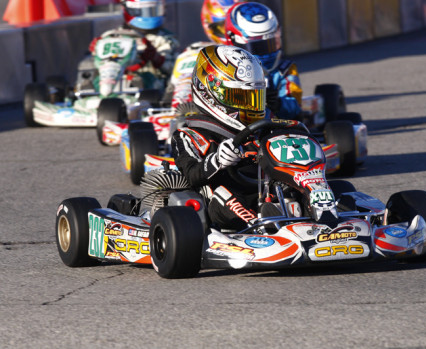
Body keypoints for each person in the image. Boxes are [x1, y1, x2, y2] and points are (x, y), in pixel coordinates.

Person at [171, 45, 266, 231]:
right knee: (226, 194)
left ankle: (328, 217)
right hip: (220, 201)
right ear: (209, 92)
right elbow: (191, 175)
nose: (248, 106)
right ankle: (260, 228)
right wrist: (217, 161)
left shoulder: (261, 131)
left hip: (265, 192)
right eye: (240, 98)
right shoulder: (189, 135)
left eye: (252, 98)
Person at [224, 2, 302, 120]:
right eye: (258, 47)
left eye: (270, 44)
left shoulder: (284, 70)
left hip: (273, 127)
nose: (266, 53)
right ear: (234, 41)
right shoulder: (224, 69)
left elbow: (295, 108)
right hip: (232, 125)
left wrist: (277, 103)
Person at [88, 0, 179, 91]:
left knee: (145, 79)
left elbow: (175, 69)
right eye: (144, 11)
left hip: (150, 84)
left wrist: (156, 58)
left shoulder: (165, 39)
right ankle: (88, 94)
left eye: (153, 11)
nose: (148, 15)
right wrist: (97, 51)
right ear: (128, 10)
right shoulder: (112, 35)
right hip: (114, 77)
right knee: (92, 75)